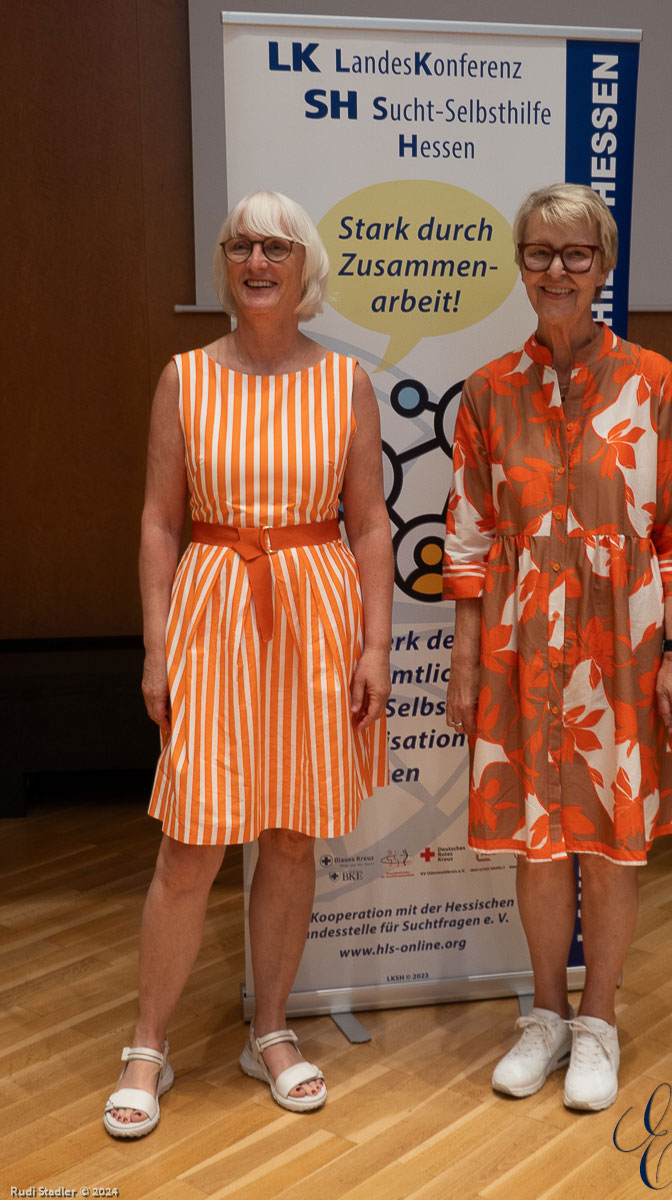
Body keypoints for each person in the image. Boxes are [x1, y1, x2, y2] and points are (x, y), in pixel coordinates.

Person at [103, 191, 392, 1137]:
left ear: (306, 267)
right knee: (191, 844)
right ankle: (147, 1046)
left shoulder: (345, 382)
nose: (257, 260)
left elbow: (370, 525)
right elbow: (159, 522)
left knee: (293, 838)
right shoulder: (184, 377)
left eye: (276, 245)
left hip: (317, 618)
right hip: (214, 613)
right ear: (225, 264)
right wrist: (156, 646)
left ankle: (270, 1028)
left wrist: (376, 644)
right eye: (241, 245)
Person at [443, 183, 672, 1112]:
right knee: (537, 841)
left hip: (623, 644)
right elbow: (469, 543)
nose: (556, 270)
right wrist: (465, 662)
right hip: (520, 647)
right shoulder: (487, 392)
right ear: (520, 265)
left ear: (603, 267)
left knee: (609, 844)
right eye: (539, 253)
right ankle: (547, 1016)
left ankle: (599, 1021)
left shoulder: (653, 380)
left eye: (576, 254)